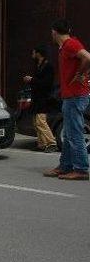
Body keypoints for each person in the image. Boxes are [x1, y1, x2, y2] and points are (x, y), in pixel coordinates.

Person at [44, 19, 90, 180]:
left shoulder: (70, 44)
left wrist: (79, 74)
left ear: (54, 32)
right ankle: (65, 166)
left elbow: (87, 57)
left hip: (75, 96)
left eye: (51, 32)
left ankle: (81, 169)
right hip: (71, 96)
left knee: (74, 134)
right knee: (70, 134)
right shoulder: (65, 47)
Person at [23, 46, 57, 153]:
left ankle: (51, 143)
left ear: (39, 53)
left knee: (41, 121)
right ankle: (41, 144)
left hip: (43, 98)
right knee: (35, 122)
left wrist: (32, 79)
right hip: (36, 98)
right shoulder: (38, 66)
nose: (32, 55)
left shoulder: (48, 66)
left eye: (33, 53)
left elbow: (47, 83)